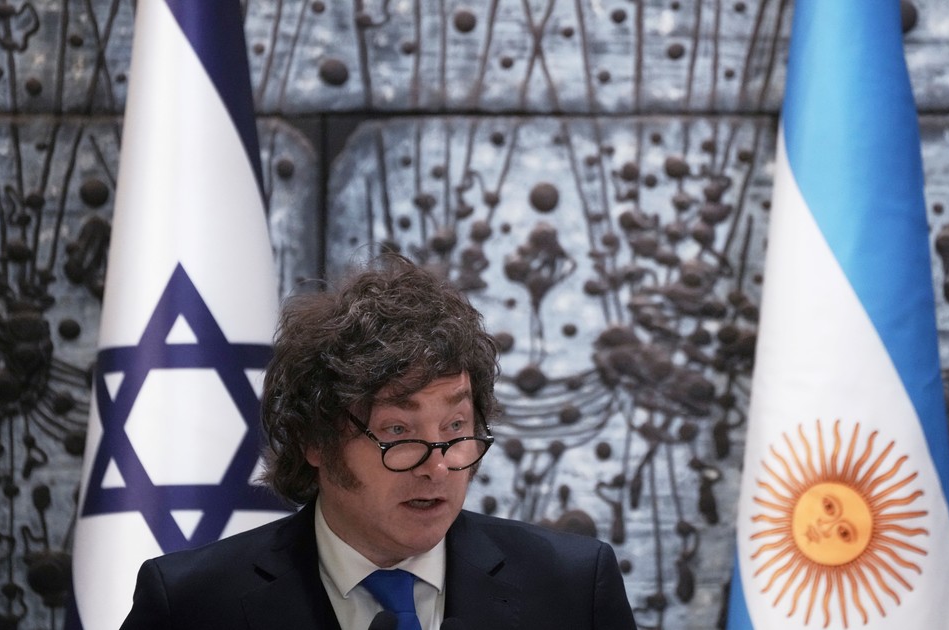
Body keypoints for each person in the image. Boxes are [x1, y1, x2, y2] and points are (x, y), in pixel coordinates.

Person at [119, 254, 638, 629]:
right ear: (315, 439)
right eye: (398, 432)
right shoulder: (191, 606)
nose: (438, 467)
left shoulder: (572, 590)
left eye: (455, 428)